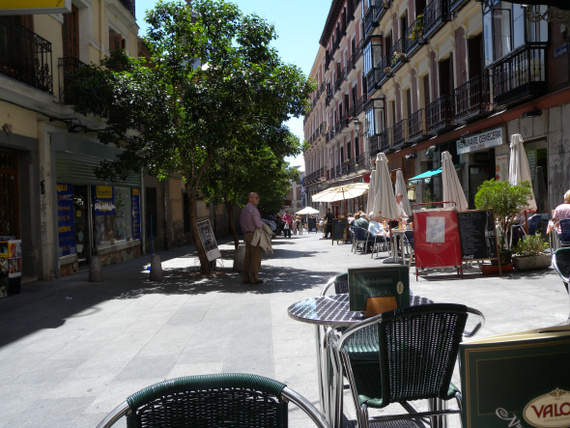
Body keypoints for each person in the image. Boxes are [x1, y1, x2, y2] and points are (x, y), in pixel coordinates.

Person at [239, 192, 265, 284]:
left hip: (246, 235)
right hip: (254, 235)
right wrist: (265, 227)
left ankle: (245, 277)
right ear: (250, 199)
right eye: (256, 198)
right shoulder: (253, 210)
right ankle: (254, 278)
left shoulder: (244, 210)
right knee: (255, 257)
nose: (258, 199)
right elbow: (258, 224)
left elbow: (241, 225)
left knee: (248, 257)